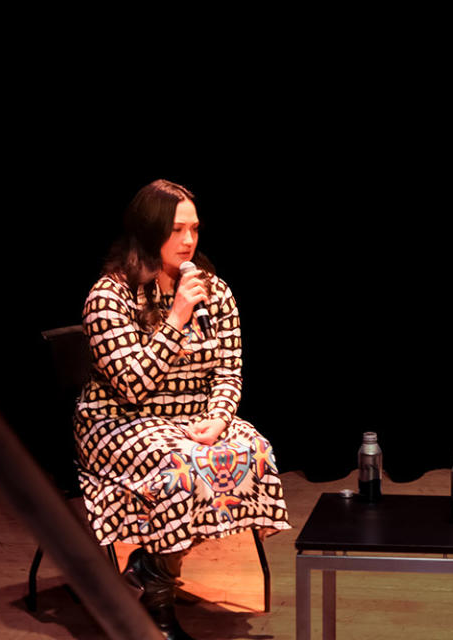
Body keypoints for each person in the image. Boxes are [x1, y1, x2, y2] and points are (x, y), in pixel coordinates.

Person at [74, 179, 291, 639]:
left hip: (192, 421)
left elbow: (228, 371)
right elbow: (133, 386)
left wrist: (219, 418)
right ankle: (159, 604)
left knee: (251, 447)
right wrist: (175, 319)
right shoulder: (108, 297)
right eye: (176, 230)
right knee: (183, 467)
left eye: (194, 228)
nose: (189, 240)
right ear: (149, 232)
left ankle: (150, 569)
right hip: (120, 424)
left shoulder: (214, 290)